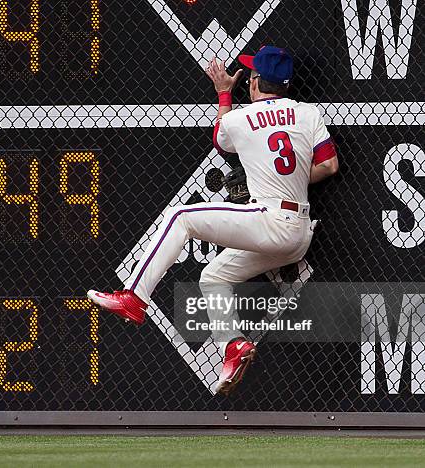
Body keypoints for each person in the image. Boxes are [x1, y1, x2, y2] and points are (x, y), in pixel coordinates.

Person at [88, 46, 339, 395]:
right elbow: (329, 166)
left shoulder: (238, 119)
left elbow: (222, 143)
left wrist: (223, 92)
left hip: (268, 219)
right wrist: (292, 181)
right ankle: (233, 345)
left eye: (251, 76)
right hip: (298, 232)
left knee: (181, 216)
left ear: (254, 83)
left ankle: (135, 297)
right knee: (214, 275)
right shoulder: (307, 114)